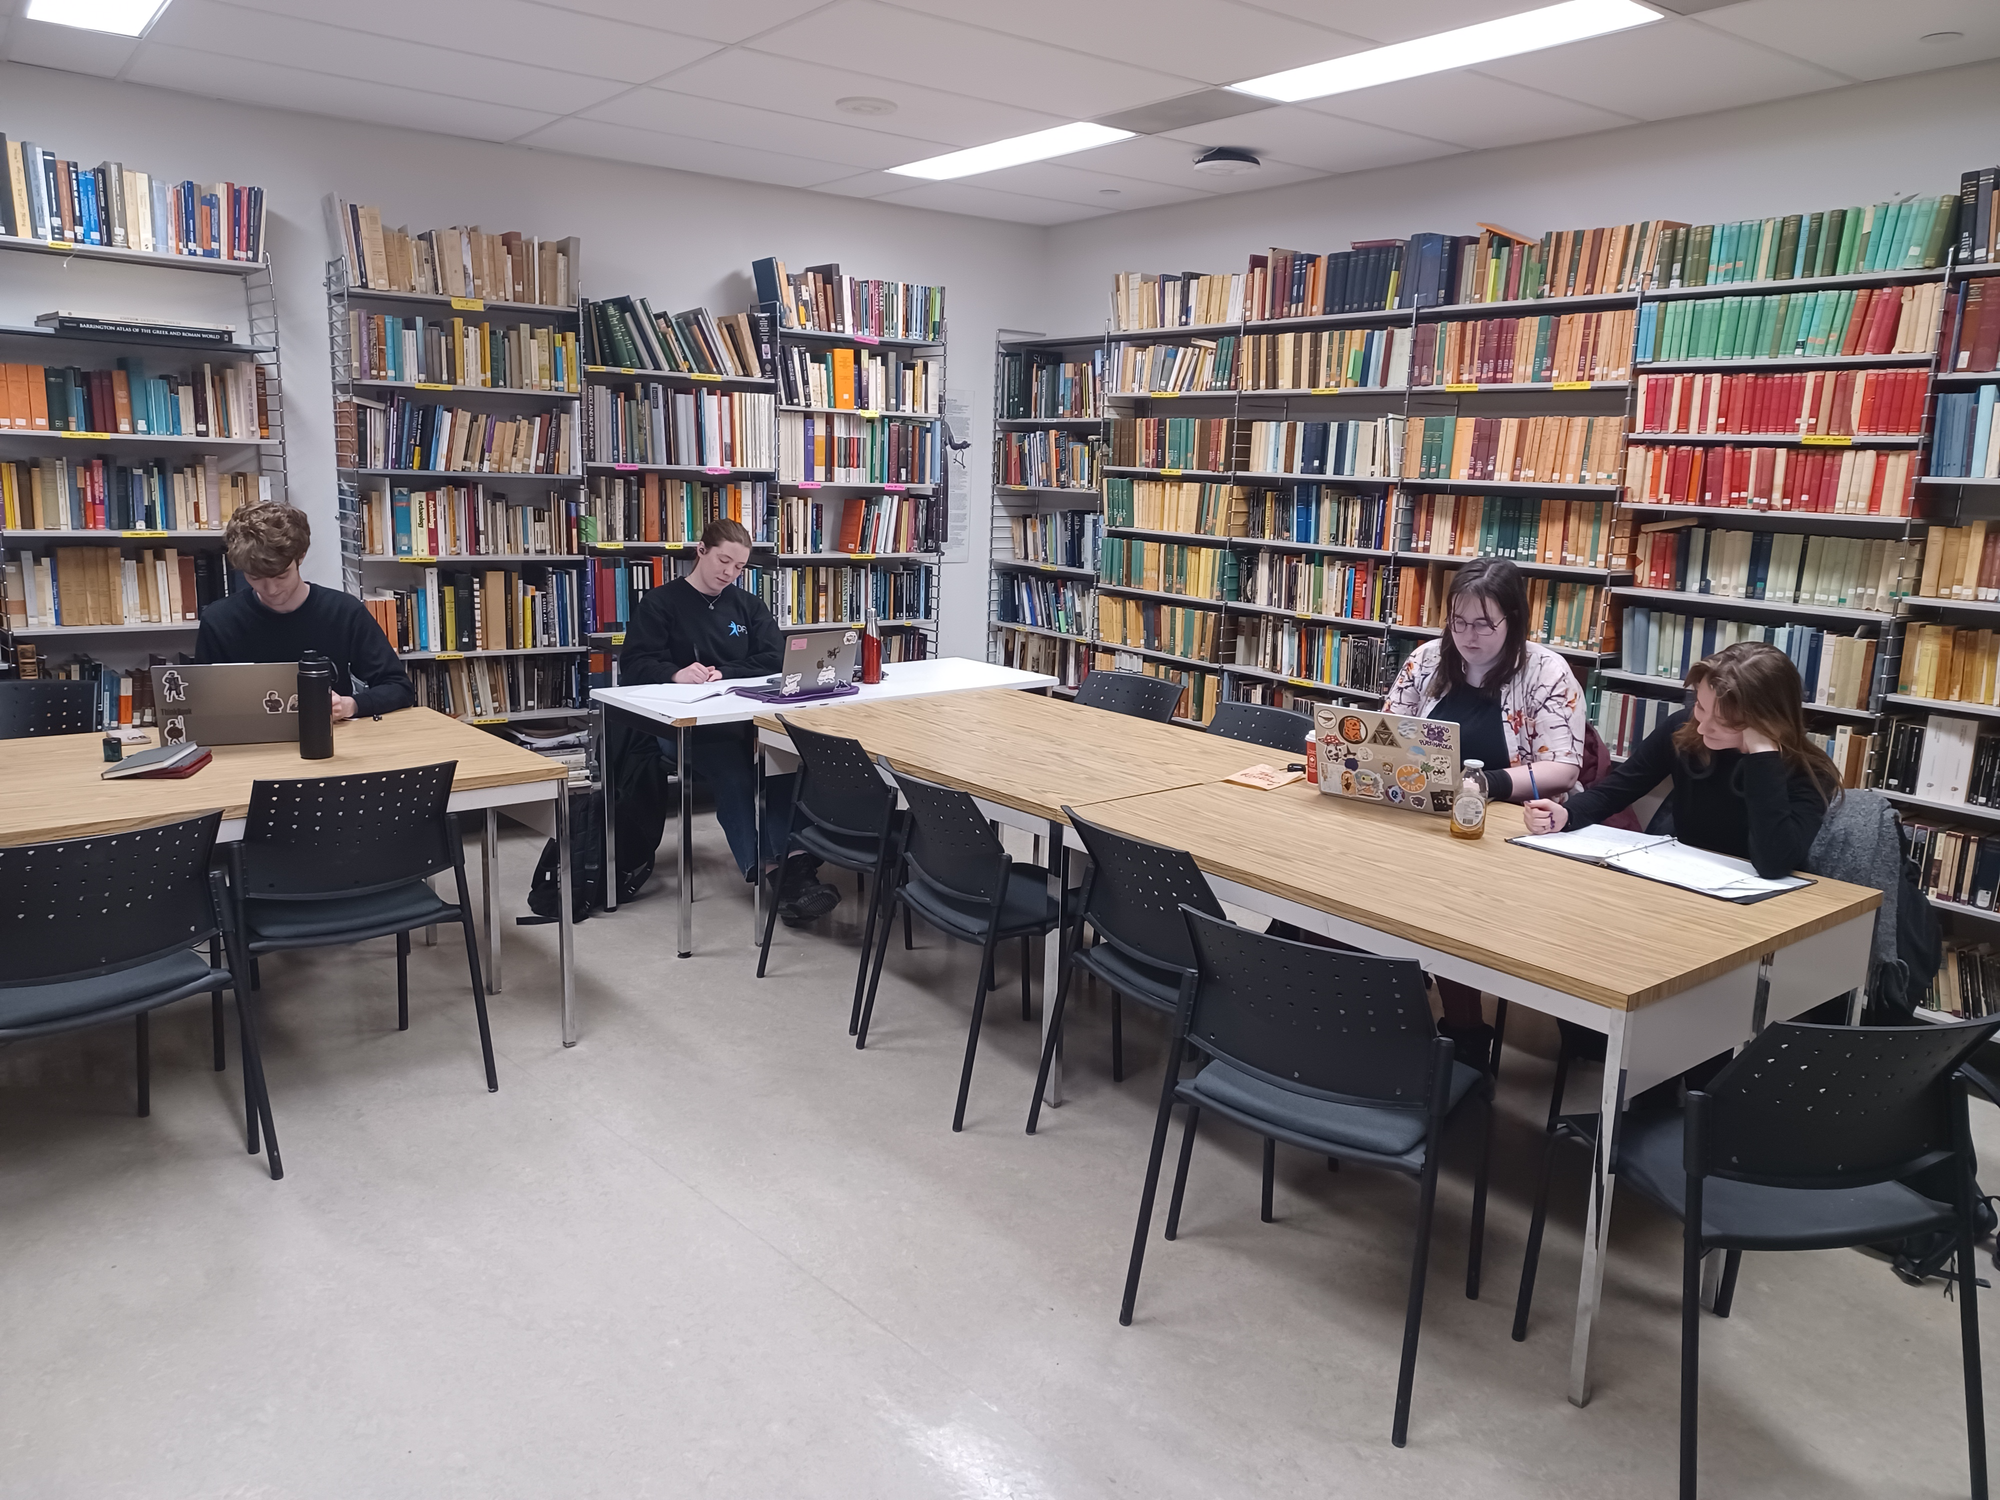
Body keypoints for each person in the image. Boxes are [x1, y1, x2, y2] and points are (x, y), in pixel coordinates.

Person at [1382, 556, 1587, 1064]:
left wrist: (1481, 784)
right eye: (1458, 622)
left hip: (1505, 831)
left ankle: (1466, 1042)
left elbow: (1563, 768)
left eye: (1483, 625)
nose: (1468, 637)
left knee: (1448, 910)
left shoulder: (1546, 673)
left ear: (1513, 621)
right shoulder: (1429, 659)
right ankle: (1367, 1012)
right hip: (1422, 816)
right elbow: (1388, 728)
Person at [619, 518, 838, 925]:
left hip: (744, 719)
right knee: (734, 771)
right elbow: (632, 665)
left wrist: (726, 671)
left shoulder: (747, 605)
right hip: (684, 727)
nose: (728, 573)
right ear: (700, 550)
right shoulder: (661, 602)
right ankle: (773, 873)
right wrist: (675, 673)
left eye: (738, 567)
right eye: (723, 561)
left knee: (784, 763)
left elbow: (776, 656)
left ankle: (796, 866)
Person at [1524, 639, 1839, 874]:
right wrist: (1568, 815)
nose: (1703, 726)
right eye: (1701, 707)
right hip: (1687, 878)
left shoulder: (1809, 772)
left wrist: (1761, 754)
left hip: (1763, 903)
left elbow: (1774, 862)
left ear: (1767, 720)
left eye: (1725, 721)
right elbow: (1619, 788)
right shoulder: (1685, 728)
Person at [195, 501, 414, 718]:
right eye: (254, 577)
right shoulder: (219, 621)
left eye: (281, 576)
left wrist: (351, 705)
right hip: (249, 745)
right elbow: (201, 702)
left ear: (300, 557)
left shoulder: (344, 612)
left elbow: (398, 688)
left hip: (333, 740)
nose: (271, 589)